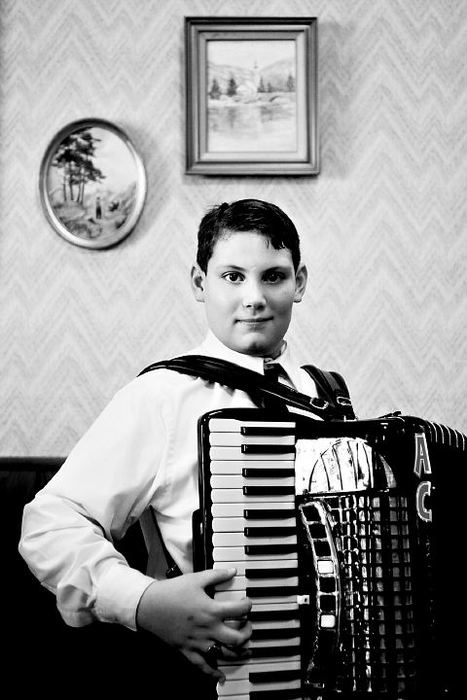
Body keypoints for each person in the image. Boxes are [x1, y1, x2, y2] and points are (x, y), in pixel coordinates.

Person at [19, 198, 325, 692]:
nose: (253, 297)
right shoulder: (162, 396)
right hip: (210, 675)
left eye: (273, 276)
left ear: (300, 282)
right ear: (200, 284)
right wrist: (143, 602)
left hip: (326, 674)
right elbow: (48, 523)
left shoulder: (322, 397)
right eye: (231, 277)